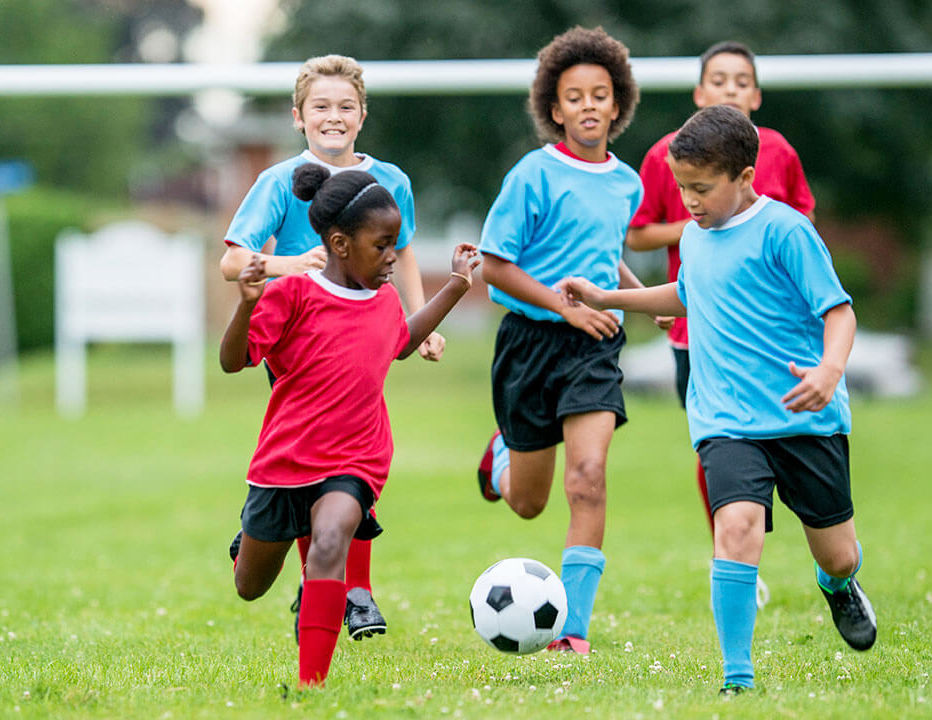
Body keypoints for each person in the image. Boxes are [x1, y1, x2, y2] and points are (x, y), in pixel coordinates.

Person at [560, 105, 876, 694]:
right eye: (683, 188)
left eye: (702, 188)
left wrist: (830, 370)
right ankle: (738, 678)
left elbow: (839, 311)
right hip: (725, 418)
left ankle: (837, 585)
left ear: (745, 177)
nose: (690, 202)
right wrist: (607, 296)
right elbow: (686, 293)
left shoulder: (786, 231)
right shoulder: (694, 237)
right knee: (735, 526)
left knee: (837, 555)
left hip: (804, 417)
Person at [222, 163, 479, 687]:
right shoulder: (292, 295)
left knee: (332, 536)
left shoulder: (383, 299)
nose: (393, 257)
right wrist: (246, 307)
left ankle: (311, 685)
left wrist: (454, 286)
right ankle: (250, 539)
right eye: (382, 246)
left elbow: (401, 342)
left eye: (395, 244)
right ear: (340, 244)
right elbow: (232, 360)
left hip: (355, 459)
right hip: (284, 462)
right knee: (249, 586)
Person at [220, 54, 443, 642]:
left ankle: (352, 588)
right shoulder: (278, 182)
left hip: (367, 323)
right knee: (313, 456)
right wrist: (286, 263)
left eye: (346, 106)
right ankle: (315, 566)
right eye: (320, 106)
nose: (334, 116)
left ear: (363, 115)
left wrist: (424, 320)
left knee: (354, 446)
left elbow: (409, 251)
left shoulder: (391, 179)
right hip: (297, 335)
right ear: (298, 117)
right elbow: (232, 259)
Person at [625, 42, 816, 608]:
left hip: (775, 334)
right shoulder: (666, 155)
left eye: (742, 81)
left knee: (789, 442)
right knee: (719, 443)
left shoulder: (779, 152)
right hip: (698, 332)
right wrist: (704, 221)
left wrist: (750, 223)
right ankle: (733, 553)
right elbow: (636, 234)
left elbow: (801, 221)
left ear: (755, 95)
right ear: (699, 94)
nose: (731, 89)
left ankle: (817, 543)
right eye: (719, 80)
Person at [473, 26, 644, 656]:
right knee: (527, 503)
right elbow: (496, 264)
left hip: (594, 346)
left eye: (601, 94)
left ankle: (571, 632)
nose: (590, 106)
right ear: (554, 109)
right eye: (576, 97)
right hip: (529, 343)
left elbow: (605, 255)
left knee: (590, 477)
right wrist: (563, 308)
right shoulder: (532, 175)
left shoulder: (628, 183)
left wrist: (638, 300)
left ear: (618, 104)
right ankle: (503, 457)